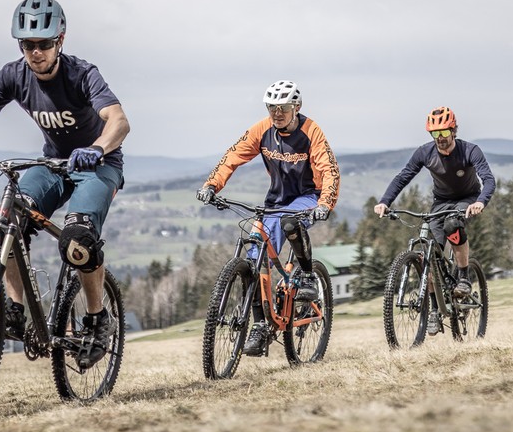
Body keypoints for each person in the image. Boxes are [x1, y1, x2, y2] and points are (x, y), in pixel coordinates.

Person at [0, 0, 129, 367]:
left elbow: (119, 121)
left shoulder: (82, 74)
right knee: (8, 219)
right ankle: (14, 310)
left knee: (78, 240)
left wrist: (97, 147)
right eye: (27, 44)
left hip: (98, 164)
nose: (35, 52)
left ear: (60, 40)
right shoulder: (14, 75)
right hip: (52, 163)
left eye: (43, 44)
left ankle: (98, 319)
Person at [196, 80, 340, 356]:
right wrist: (212, 185)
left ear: (297, 107)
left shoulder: (311, 131)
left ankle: (307, 276)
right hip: (276, 200)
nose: (277, 113)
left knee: (290, 223)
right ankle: (261, 325)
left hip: (309, 196)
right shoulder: (262, 130)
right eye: (271, 107)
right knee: (254, 256)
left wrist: (325, 203)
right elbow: (233, 156)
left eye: (283, 107)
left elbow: (330, 170)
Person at [373, 106, 496, 335]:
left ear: (454, 130)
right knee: (428, 254)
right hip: (440, 202)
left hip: (467, 199)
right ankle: (434, 310)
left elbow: (488, 179)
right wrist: (385, 201)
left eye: (444, 132)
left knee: (453, 225)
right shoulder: (425, 152)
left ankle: (463, 276)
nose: (440, 138)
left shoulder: (470, 150)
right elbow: (403, 177)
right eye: (435, 133)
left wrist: (480, 202)